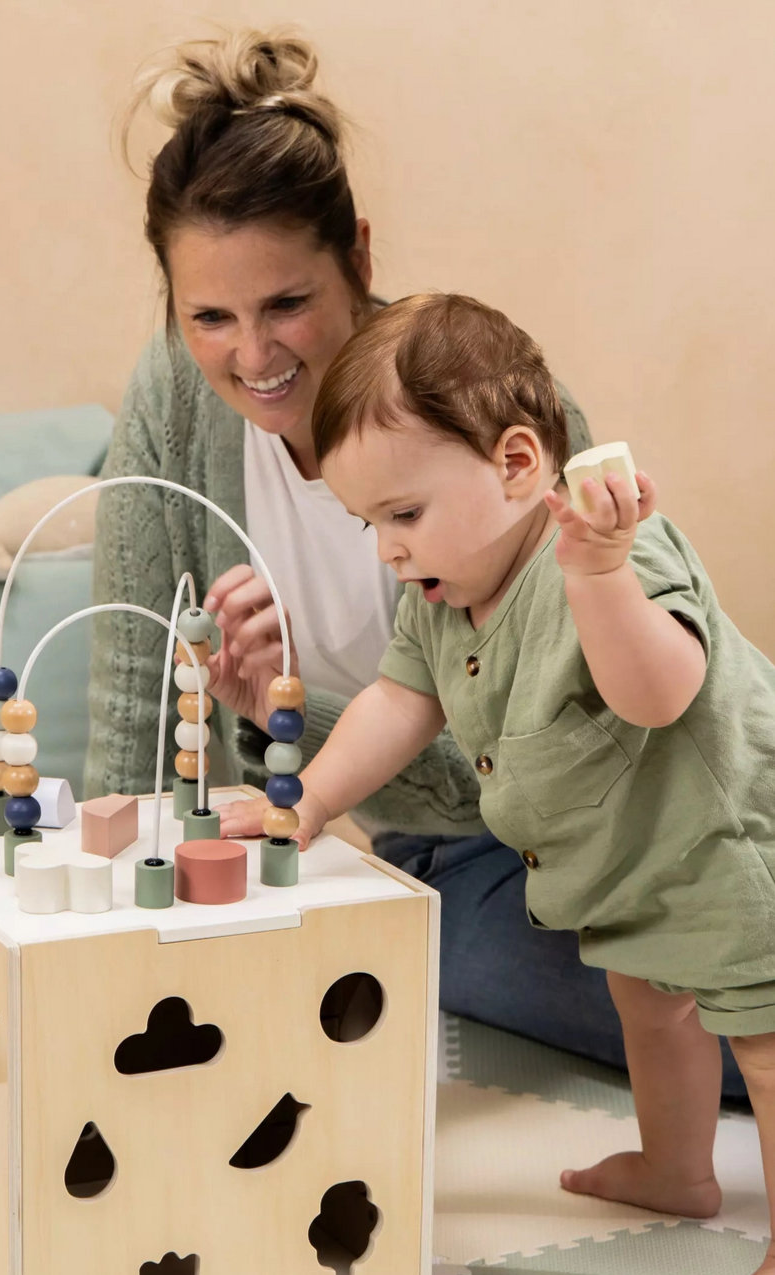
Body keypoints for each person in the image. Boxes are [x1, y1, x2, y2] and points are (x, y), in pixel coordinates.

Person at [84, 28, 746, 1099]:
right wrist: (103, 925)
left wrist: (290, 723)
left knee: (725, 964)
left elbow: (570, 747)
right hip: (427, 861)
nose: (252, 357)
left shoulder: (475, 406)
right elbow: (130, 697)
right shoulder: (170, 404)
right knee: (661, 1014)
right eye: (209, 316)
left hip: (597, 825)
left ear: (360, 254)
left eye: (286, 304)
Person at [218, 291, 775, 1275]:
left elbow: (657, 694)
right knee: (646, 1009)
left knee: (762, 1045)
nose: (385, 549)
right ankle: (676, 1169)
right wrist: (313, 803)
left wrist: (599, 575)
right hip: (632, 870)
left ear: (518, 466)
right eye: (368, 523)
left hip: (733, 846)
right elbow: (394, 702)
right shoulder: (437, 597)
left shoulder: (604, 555)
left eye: (403, 514)